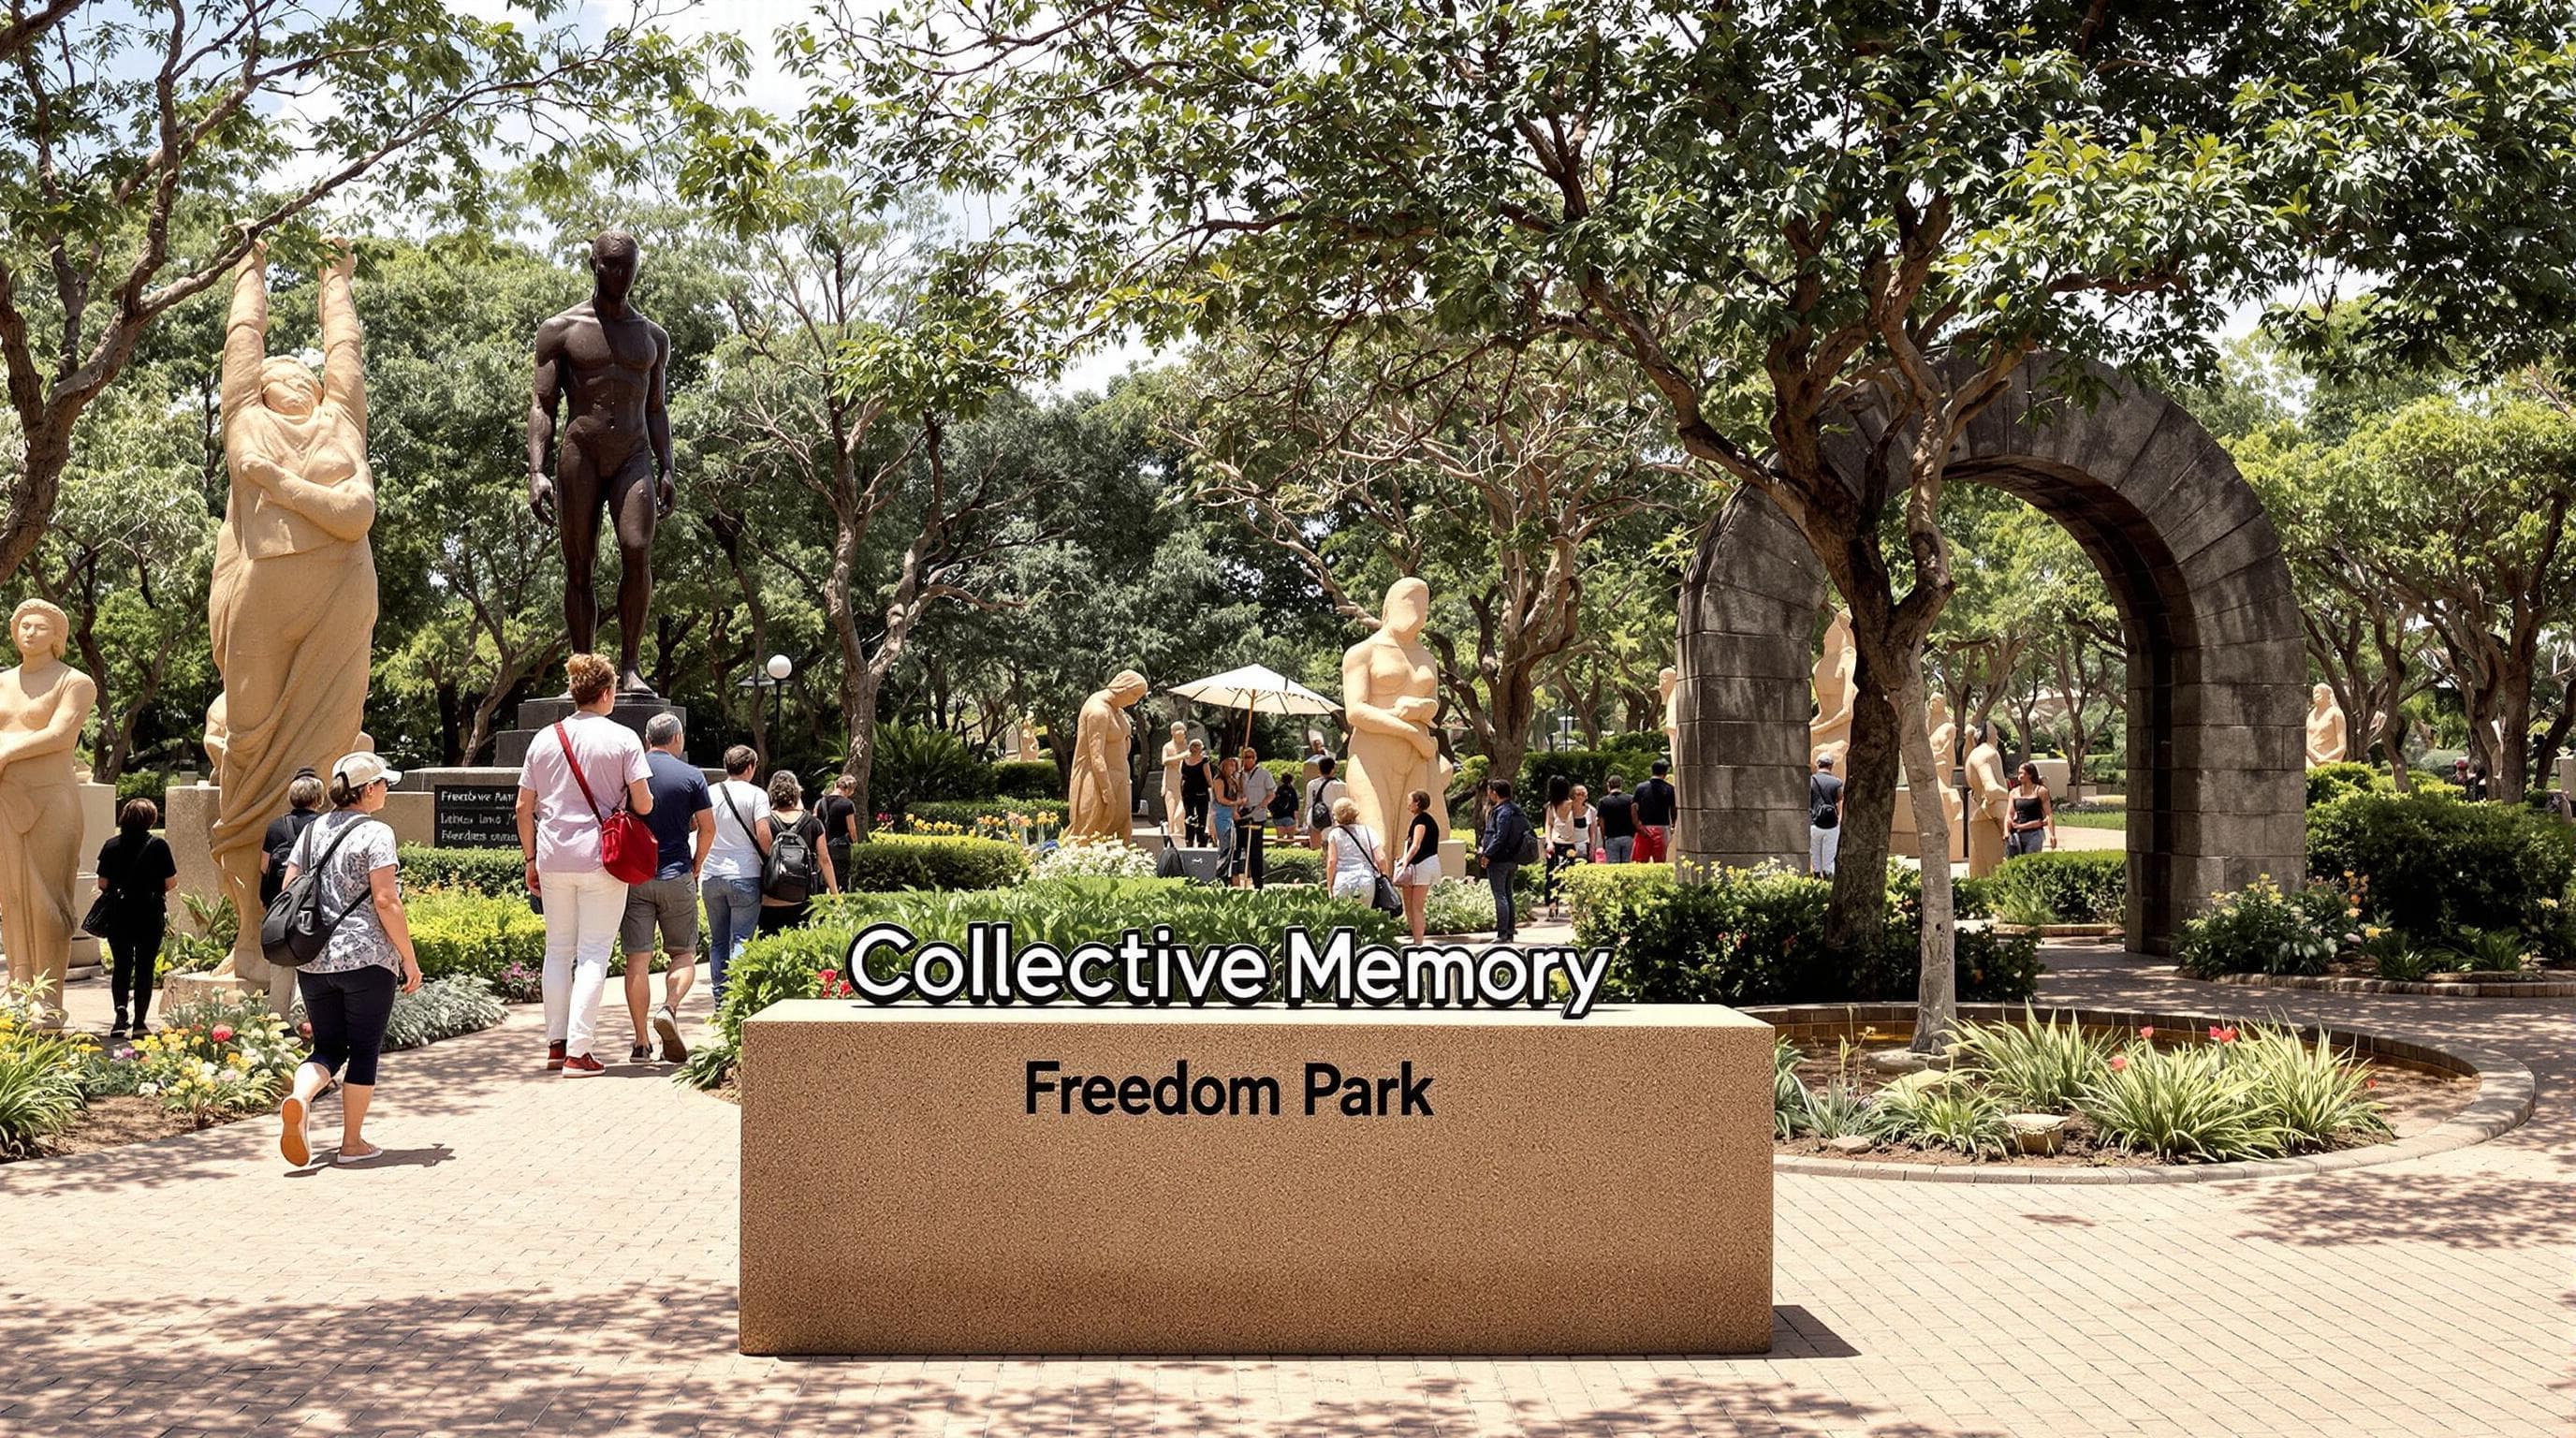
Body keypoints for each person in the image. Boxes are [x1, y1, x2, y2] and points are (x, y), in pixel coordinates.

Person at [276, 751, 424, 1167]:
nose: (386, 791)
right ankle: (352, 1143)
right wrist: (408, 959)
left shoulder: (312, 830)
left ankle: (301, 1098)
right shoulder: (376, 833)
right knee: (363, 1050)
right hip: (366, 958)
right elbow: (385, 899)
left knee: (326, 1047)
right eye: (384, 784)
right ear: (368, 789)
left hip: (314, 958)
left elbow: (290, 887)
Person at [514, 653, 652, 1078]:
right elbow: (644, 802)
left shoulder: (544, 738)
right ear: (608, 693)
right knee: (593, 953)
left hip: (553, 855)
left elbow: (523, 806)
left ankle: (556, 1044)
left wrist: (530, 859)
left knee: (558, 950)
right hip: (602, 858)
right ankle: (580, 1051)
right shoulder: (623, 738)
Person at [622, 713, 713, 1064]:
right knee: (683, 955)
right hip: (677, 874)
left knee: (637, 961)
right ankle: (669, 1009)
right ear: (676, 737)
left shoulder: (630, 771)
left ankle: (640, 1041)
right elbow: (707, 828)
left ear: (647, 740)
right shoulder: (692, 776)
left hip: (636, 878)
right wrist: (697, 865)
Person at [94, 798, 177, 1037]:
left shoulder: (111, 845)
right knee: (144, 966)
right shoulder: (158, 846)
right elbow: (171, 882)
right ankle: (140, 1022)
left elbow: (103, 883)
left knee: (121, 966)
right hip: (149, 914)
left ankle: (120, 1017)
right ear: (151, 819)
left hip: (119, 915)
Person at [702, 745, 771, 1007]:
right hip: (745, 873)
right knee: (742, 938)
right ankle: (738, 996)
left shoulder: (709, 793)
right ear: (750, 767)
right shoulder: (757, 795)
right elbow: (763, 833)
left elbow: (701, 828)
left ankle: (720, 999)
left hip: (712, 873)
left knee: (718, 940)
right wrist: (769, 857)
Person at [757, 770, 838, 935]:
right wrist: (835, 895)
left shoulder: (764, 821)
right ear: (797, 792)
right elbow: (825, 860)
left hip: (769, 900)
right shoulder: (813, 823)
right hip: (801, 899)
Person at [258, 770, 325, 909]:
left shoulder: (275, 826)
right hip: (315, 904)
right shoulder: (326, 825)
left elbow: (264, 867)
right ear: (318, 798)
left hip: (280, 903)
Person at [1478, 780, 1532, 942]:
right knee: (1507, 894)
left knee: (1500, 895)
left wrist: (1487, 854)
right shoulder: (1515, 810)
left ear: (1495, 792)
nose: (1488, 794)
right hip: (1512, 858)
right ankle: (1509, 931)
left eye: (1489, 791)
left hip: (1499, 859)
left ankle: (1502, 933)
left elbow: (1500, 837)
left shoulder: (1503, 812)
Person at [1394, 788, 1440, 943]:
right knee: (1411, 904)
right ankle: (1416, 937)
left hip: (1421, 864)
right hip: (1426, 863)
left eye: (1410, 801)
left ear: (1417, 803)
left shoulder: (1421, 822)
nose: (1408, 805)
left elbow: (1416, 845)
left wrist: (1404, 862)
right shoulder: (1424, 819)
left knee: (1416, 906)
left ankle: (1418, 941)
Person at [1323, 795, 1384, 903]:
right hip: (1365, 879)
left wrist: (1329, 886)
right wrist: (1384, 876)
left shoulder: (1335, 834)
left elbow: (1332, 861)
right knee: (1364, 917)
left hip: (1343, 881)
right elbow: (1381, 859)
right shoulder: (1369, 831)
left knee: (1343, 918)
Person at [1234, 746, 1275, 888]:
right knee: (1237, 848)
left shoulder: (1263, 774)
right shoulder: (1238, 775)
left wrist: (1263, 804)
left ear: (1255, 758)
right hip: (1241, 813)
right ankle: (1235, 880)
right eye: (1246, 757)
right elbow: (1235, 793)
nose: (1248, 760)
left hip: (1257, 813)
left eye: (1251, 757)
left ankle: (1258, 882)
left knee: (1255, 850)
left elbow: (1271, 793)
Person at [1540, 775, 1578, 919]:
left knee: (1568, 876)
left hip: (1569, 844)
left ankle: (1571, 906)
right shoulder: (1551, 806)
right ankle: (1553, 906)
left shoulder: (1573, 805)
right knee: (1553, 875)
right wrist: (1549, 841)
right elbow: (1548, 824)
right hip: (1557, 844)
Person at [2005, 761, 2056, 858]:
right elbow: (2009, 814)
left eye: (2022, 773)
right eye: (2018, 773)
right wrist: (2006, 832)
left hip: (2035, 833)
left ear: (2030, 774)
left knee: (2030, 860)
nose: (2019, 775)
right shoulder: (2014, 792)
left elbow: (2049, 814)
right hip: (2017, 832)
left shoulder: (2041, 791)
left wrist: (2052, 835)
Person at [818, 773, 859, 889]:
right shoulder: (847, 804)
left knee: (825, 877)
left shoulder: (821, 803)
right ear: (849, 789)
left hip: (823, 845)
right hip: (841, 846)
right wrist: (855, 843)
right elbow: (852, 828)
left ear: (836, 785)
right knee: (842, 879)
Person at [1632, 758, 1676, 863]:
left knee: (1641, 860)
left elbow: (1633, 807)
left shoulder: (1640, 788)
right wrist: (1673, 824)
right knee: (1660, 860)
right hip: (1662, 827)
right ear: (1665, 773)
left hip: (1644, 827)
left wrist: (1637, 825)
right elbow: (1673, 809)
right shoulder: (1670, 789)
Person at [1808, 754, 1845, 876]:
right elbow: (1841, 801)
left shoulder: (1811, 781)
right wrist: (1839, 819)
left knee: (1815, 856)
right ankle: (1828, 881)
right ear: (1831, 766)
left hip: (1814, 823)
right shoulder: (1837, 782)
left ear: (1818, 765)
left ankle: (1817, 880)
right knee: (1829, 858)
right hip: (1832, 824)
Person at [1304, 755, 1349, 849]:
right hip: (1332, 822)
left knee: (1316, 850)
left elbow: (1308, 804)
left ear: (1319, 769)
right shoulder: (1340, 785)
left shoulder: (1311, 784)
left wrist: (1306, 823)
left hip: (1314, 819)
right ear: (1333, 769)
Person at [1210, 754, 1241, 877]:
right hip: (1220, 816)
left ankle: (1227, 873)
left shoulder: (1234, 781)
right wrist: (1235, 802)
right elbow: (1220, 798)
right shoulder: (1219, 780)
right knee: (1224, 846)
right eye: (1230, 765)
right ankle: (1219, 873)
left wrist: (1235, 809)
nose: (1232, 768)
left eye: (1234, 765)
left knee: (1231, 846)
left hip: (1230, 817)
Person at [1596, 775, 1638, 864]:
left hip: (1611, 838)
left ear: (1608, 786)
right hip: (1628, 837)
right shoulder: (1631, 799)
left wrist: (1603, 838)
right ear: (1621, 785)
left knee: (1613, 867)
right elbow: (1635, 817)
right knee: (1627, 866)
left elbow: (1601, 823)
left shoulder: (1603, 801)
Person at [1178, 738, 1211, 846]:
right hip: (1198, 791)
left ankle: (1192, 839)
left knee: (1191, 816)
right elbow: (1208, 777)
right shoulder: (1203, 760)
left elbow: (1182, 777)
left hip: (1190, 791)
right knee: (1199, 816)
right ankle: (1197, 839)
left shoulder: (1186, 760)